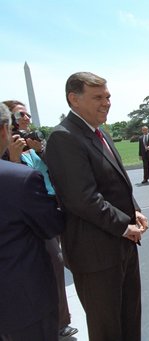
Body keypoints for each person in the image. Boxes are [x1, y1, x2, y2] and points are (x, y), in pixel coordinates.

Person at [45, 72, 148, 341]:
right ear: (74, 99)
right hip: (95, 255)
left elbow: (117, 183)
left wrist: (133, 209)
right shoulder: (64, 137)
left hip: (122, 244)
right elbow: (82, 198)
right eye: (98, 97)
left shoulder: (100, 133)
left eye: (108, 96)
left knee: (130, 319)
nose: (107, 102)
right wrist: (124, 226)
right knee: (108, 329)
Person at [2, 100, 78, 338]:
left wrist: (40, 149)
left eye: (27, 114)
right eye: (18, 116)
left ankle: (62, 319)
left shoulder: (33, 150)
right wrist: (12, 161)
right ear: (6, 128)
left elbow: (54, 171)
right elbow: (50, 224)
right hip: (21, 295)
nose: (25, 119)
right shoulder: (16, 173)